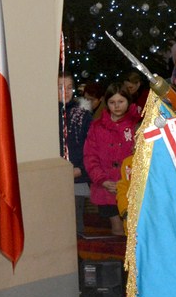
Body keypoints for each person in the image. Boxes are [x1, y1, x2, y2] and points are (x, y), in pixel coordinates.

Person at [83, 83, 140, 236]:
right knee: (117, 228)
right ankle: (119, 257)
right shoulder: (97, 127)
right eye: (112, 102)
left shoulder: (136, 125)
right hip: (106, 186)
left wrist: (128, 182)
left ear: (128, 101)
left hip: (130, 186)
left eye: (121, 102)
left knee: (134, 228)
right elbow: (90, 156)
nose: (117, 106)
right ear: (106, 104)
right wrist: (101, 180)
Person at [59, 71, 93, 235]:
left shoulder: (82, 115)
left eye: (69, 88)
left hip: (77, 175)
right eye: (60, 88)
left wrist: (81, 168)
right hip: (54, 175)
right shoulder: (47, 115)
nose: (65, 92)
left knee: (74, 221)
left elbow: (91, 146)